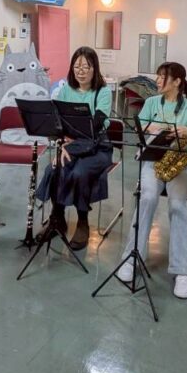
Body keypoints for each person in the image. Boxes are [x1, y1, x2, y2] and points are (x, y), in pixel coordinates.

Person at [117, 62, 187, 299]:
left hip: (180, 164)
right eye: (157, 76)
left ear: (177, 81)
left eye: (162, 77)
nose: (157, 81)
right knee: (147, 198)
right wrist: (153, 127)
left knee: (177, 206)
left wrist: (185, 131)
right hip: (153, 161)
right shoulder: (151, 103)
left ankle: (184, 270)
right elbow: (140, 127)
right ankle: (132, 257)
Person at [35, 47, 113, 250]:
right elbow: (56, 123)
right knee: (54, 170)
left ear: (95, 68)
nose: (81, 71)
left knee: (79, 172)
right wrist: (62, 146)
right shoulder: (66, 90)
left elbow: (96, 126)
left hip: (98, 147)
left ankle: (82, 222)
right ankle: (57, 219)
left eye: (86, 66)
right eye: (77, 66)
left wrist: (71, 145)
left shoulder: (103, 92)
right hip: (70, 145)